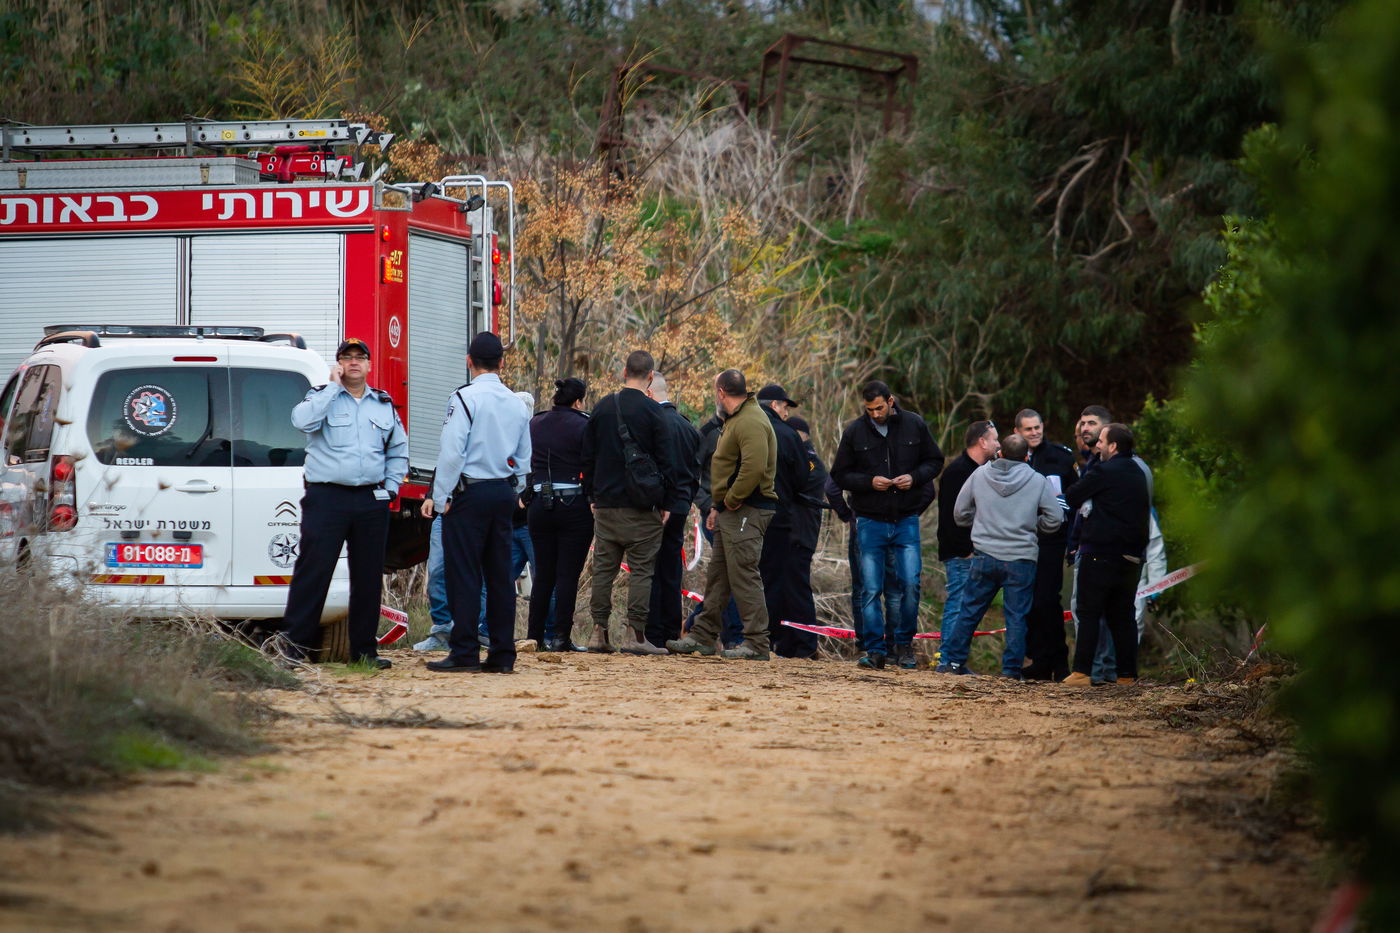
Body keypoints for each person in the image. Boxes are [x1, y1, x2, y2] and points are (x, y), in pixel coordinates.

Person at [281, 338, 407, 668]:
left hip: (369, 499)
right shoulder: (320, 397)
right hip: (327, 499)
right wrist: (331, 388)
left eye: (359, 358)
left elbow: (397, 450)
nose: (353, 363)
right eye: (346, 357)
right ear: (337, 364)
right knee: (313, 573)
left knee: (366, 578)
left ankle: (364, 653)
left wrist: (390, 489)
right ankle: (294, 650)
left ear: (368, 365)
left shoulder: (382, 404)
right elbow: (301, 422)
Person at [425, 331, 532, 674]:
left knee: (464, 574)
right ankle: (502, 654)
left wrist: (441, 497)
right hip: (503, 492)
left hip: (468, 494)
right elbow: (525, 457)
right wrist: (514, 489)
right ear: (502, 363)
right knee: (500, 576)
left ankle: (465, 651)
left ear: (469, 362)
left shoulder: (464, 398)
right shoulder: (517, 403)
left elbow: (452, 452)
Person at [830, 380, 945, 670]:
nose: (875, 414)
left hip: (906, 520)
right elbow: (840, 474)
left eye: (879, 408)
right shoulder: (855, 431)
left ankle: (903, 645)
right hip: (870, 521)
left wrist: (915, 477)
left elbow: (935, 460)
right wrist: (869, 482)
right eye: (869, 409)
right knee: (870, 589)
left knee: (910, 583)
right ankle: (875, 650)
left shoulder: (914, 425)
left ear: (890, 401)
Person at [667, 369, 778, 660]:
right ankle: (702, 636)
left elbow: (753, 469)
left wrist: (730, 500)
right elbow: (730, 469)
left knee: (744, 575)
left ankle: (756, 642)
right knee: (719, 576)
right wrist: (717, 507)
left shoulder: (750, 421)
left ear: (721, 393)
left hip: (748, 510)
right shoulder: (737, 419)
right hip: (732, 511)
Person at [581, 350, 683, 655]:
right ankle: (635, 636)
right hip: (643, 507)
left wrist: (591, 495)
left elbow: (587, 454)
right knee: (642, 571)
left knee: (603, 571)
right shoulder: (654, 413)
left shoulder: (603, 407)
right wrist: (667, 502)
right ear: (650, 376)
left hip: (607, 504)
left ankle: (599, 633)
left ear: (624, 372)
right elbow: (668, 461)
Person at [940, 433, 1062, 678]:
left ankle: (952, 663)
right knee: (1017, 617)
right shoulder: (1037, 480)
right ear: (1027, 456)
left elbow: (960, 513)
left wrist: (982, 523)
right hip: (1021, 559)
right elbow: (1055, 518)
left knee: (969, 612)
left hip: (985, 555)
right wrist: (1034, 525)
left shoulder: (980, 474)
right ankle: (1011, 670)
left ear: (1001, 453)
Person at [1061, 423, 1150, 687]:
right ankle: (1126, 675)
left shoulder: (1104, 471)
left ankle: (1081, 672)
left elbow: (1073, 496)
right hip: (1131, 556)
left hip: (1100, 552)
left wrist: (1092, 469)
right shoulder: (1139, 472)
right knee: (1122, 615)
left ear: (1112, 446)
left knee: (1088, 612)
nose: (1096, 446)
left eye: (1101, 441)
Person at [526, 377, 592, 652]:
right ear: (578, 401)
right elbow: (591, 463)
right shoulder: (585, 424)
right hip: (573, 504)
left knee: (543, 574)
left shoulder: (536, 422)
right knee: (567, 575)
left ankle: (534, 636)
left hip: (539, 503)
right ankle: (561, 637)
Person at [1013, 408, 1079, 681]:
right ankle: (1040, 660)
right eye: (1028, 429)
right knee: (1026, 601)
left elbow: (1076, 498)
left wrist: (1074, 539)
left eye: (1037, 427)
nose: (1035, 432)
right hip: (1020, 539)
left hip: (1052, 540)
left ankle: (1059, 662)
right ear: (1017, 432)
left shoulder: (1061, 457)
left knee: (1048, 600)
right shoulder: (1011, 459)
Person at [644, 372, 702, 650]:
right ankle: (670, 629)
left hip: (657, 507)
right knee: (671, 570)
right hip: (680, 507)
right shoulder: (688, 427)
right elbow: (695, 472)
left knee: (650, 569)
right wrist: (685, 500)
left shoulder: (652, 425)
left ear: (649, 393)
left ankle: (653, 633)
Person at [754, 384, 810, 659]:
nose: (787, 413)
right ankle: (766, 638)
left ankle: (740, 635)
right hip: (778, 516)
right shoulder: (788, 436)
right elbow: (802, 478)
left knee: (744, 576)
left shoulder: (742, 426)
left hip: (745, 515)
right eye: (786, 407)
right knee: (773, 580)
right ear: (775, 405)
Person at [935, 421, 999, 652]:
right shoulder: (958, 472)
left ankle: (955, 658)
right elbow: (951, 516)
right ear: (982, 442)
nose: (998, 444)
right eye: (995, 439)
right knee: (958, 604)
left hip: (975, 550)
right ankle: (947, 658)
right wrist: (965, 550)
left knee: (967, 607)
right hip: (960, 552)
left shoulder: (981, 471)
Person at [689, 409, 745, 649]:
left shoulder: (744, 430)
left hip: (741, 512)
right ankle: (732, 636)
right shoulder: (706, 433)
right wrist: (707, 505)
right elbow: (691, 475)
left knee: (732, 574)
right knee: (728, 574)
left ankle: (701, 627)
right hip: (713, 514)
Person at [780, 414, 826, 659]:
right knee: (786, 591)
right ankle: (788, 642)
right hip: (790, 533)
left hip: (800, 534)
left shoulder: (811, 462)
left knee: (798, 590)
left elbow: (797, 487)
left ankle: (806, 643)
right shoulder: (799, 459)